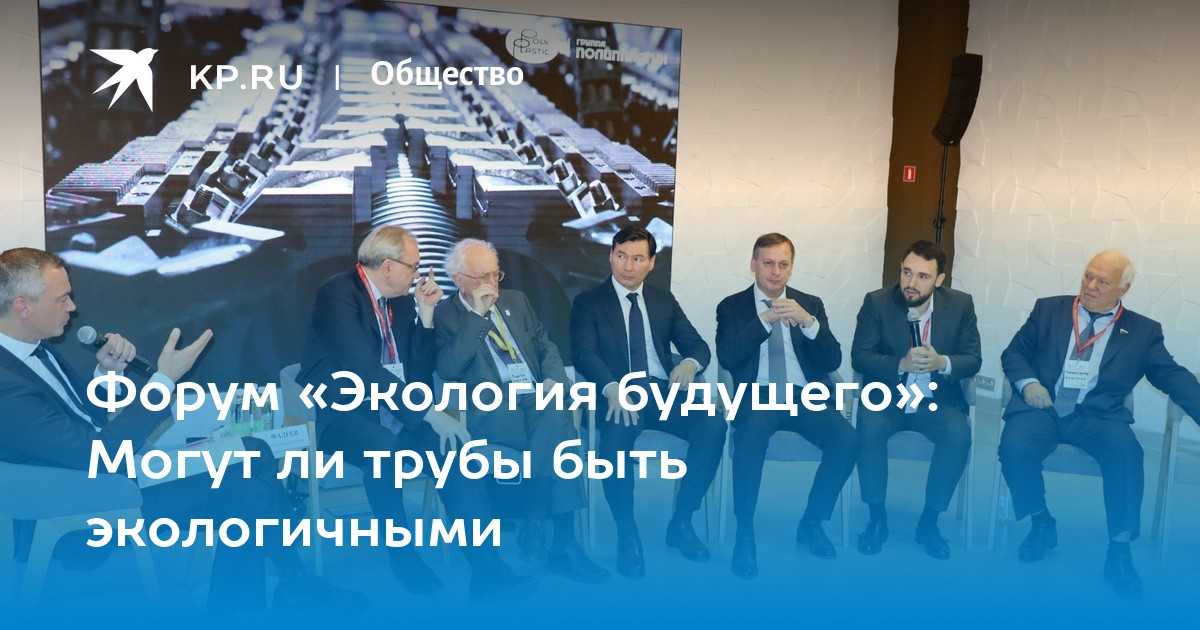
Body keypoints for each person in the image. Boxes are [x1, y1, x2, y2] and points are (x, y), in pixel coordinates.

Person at [0, 247, 361, 614]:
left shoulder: (35, 350)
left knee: (256, 456)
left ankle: (278, 588)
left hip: (119, 474)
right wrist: (163, 382)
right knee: (253, 493)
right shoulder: (5, 384)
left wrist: (107, 374)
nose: (73, 308)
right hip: (88, 507)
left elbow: (84, 420)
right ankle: (283, 587)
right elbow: (101, 454)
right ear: (22, 307)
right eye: (62, 299)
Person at [297, 225, 535, 601]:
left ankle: (487, 568)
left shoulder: (403, 301)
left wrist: (425, 315)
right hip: (347, 413)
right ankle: (403, 556)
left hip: (400, 411)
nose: (418, 275)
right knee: (384, 451)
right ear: (387, 266)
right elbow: (363, 371)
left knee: (457, 450)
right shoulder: (338, 293)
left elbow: (419, 376)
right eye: (414, 266)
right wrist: (429, 413)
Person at [999, 249, 1200, 599]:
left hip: (1097, 416)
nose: (1090, 286)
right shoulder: (1048, 310)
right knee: (1013, 446)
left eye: (1103, 281)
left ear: (1124, 289)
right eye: (1088, 276)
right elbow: (1013, 353)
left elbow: (1171, 375)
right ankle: (1041, 521)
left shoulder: (1142, 332)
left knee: (1128, 454)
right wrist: (1028, 384)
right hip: (1043, 408)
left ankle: (1119, 552)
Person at [434, 238, 609, 584]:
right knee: (562, 434)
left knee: (553, 415)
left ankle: (540, 529)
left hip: (537, 400)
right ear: (459, 280)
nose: (492, 283)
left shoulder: (517, 300)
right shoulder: (446, 314)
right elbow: (448, 368)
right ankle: (560, 542)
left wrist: (554, 379)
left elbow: (547, 348)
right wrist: (478, 316)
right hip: (493, 409)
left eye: (495, 274)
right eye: (482, 276)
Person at [569, 225, 726, 578]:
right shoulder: (588, 302)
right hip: (618, 394)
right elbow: (584, 354)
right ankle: (628, 534)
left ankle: (681, 523)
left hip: (662, 392)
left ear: (652, 263)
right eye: (621, 256)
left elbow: (698, 346)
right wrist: (611, 388)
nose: (628, 266)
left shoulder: (663, 300)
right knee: (617, 436)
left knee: (713, 424)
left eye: (638, 258)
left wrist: (689, 364)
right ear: (611, 256)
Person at [715, 232, 859, 578]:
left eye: (783, 264)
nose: (775, 272)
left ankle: (812, 523)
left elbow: (832, 359)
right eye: (768, 263)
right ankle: (745, 533)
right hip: (758, 394)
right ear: (753, 265)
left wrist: (809, 323)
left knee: (848, 439)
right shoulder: (732, 307)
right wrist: (762, 321)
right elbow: (728, 357)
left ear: (791, 268)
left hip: (804, 395)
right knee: (750, 436)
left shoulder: (810, 303)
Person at [850, 240, 980, 559]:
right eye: (907, 272)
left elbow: (973, 359)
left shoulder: (961, 305)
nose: (911, 283)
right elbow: (860, 357)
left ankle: (929, 522)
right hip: (887, 398)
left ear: (939, 279)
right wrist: (900, 364)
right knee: (869, 429)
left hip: (935, 400)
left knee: (958, 434)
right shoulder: (877, 302)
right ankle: (877, 518)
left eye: (923, 276)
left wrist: (942, 362)